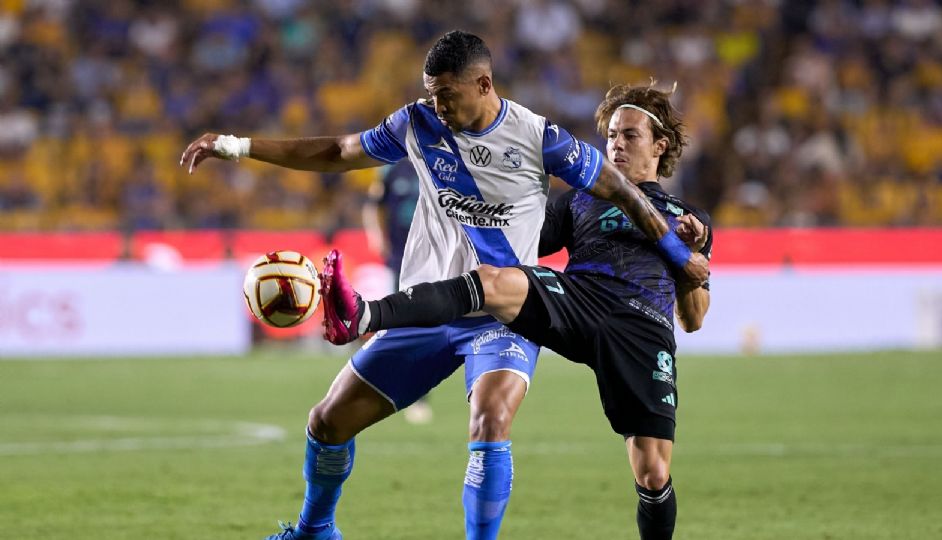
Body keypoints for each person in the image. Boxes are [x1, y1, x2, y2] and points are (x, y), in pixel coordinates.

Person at [180, 30, 708, 540]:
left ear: (483, 85)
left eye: (446, 95)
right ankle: (315, 530)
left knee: (490, 420)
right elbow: (340, 152)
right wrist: (234, 145)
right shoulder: (416, 123)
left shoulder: (537, 136)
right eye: (431, 94)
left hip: (505, 312)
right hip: (430, 303)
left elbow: (621, 189)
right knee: (327, 422)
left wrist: (680, 254)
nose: (437, 105)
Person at [320, 82, 710, 540]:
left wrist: (690, 261)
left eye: (630, 136)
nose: (616, 144)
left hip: (642, 326)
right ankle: (367, 314)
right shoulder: (582, 199)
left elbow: (694, 318)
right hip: (579, 299)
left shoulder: (685, 216)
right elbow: (518, 240)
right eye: (612, 136)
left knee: (653, 472)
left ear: (659, 146)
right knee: (493, 281)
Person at [361, 159, 433, 424]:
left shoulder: (438, 161)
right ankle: (395, 390)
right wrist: (375, 235)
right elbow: (371, 205)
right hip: (401, 259)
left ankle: (420, 395)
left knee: (427, 326)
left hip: (433, 258)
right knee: (401, 326)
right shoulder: (392, 168)